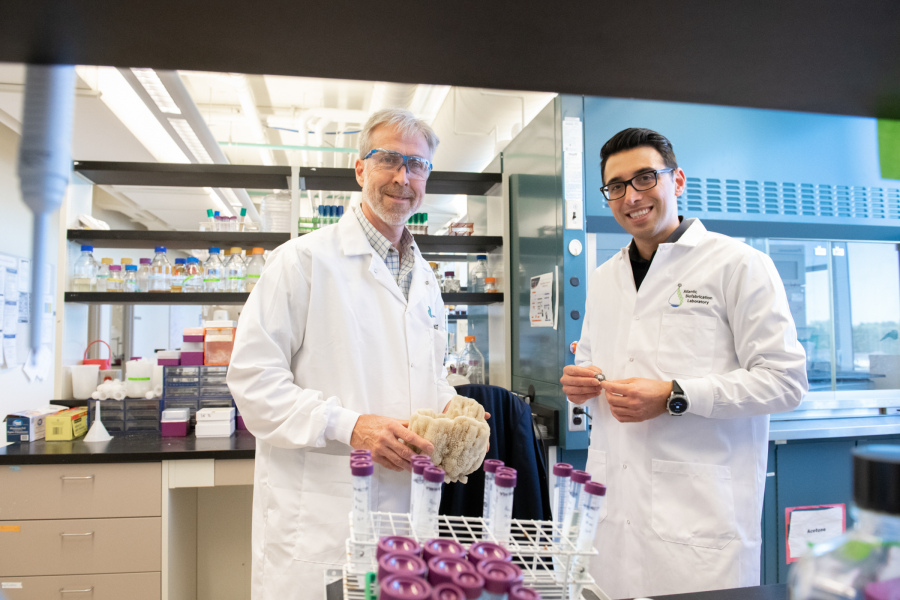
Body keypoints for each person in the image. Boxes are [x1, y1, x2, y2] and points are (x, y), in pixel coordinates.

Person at [560, 128, 808, 599]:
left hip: (700, 523)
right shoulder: (605, 277)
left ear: (677, 180)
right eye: (616, 185)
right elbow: (594, 361)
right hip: (614, 516)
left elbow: (786, 381)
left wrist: (675, 394)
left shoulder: (737, 265)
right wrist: (583, 381)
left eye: (645, 178)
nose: (630, 196)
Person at [227, 108, 458, 599]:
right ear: (360, 169)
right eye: (389, 160)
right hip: (323, 514)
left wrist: (451, 403)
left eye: (417, 166)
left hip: (407, 513)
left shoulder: (426, 278)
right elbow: (252, 383)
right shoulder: (302, 262)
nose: (403, 177)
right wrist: (350, 426)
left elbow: (430, 372)